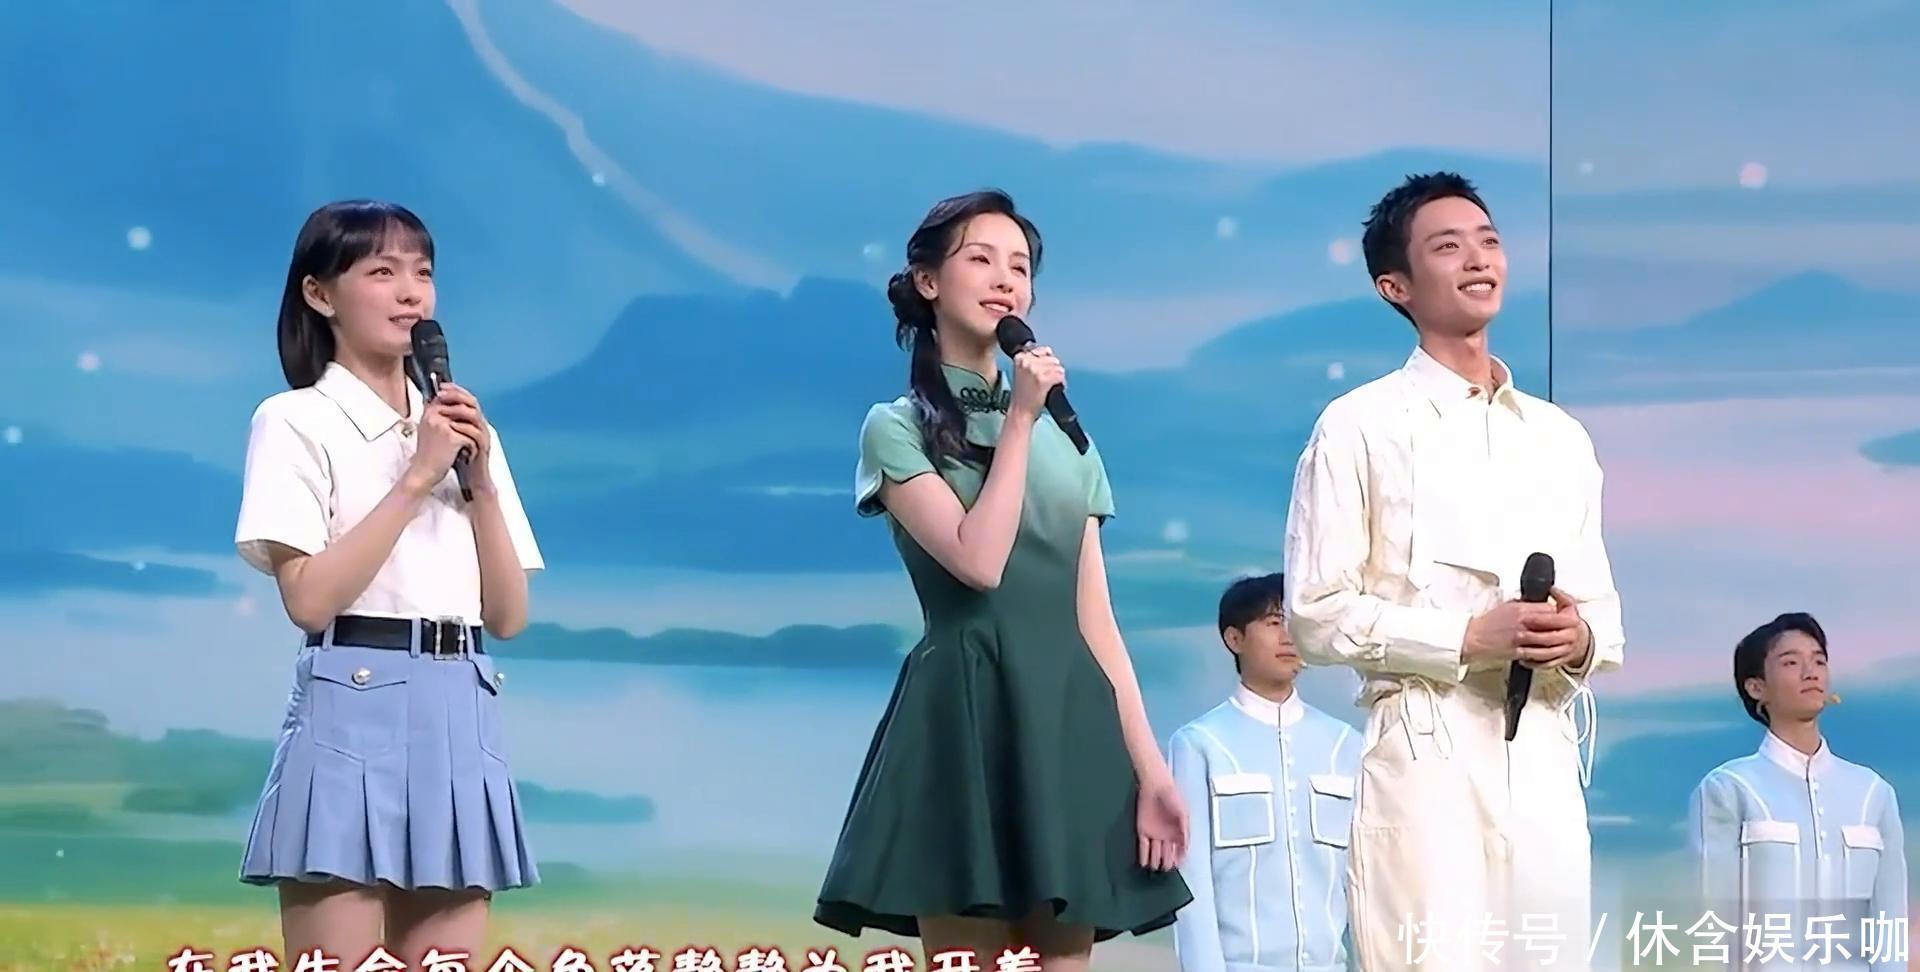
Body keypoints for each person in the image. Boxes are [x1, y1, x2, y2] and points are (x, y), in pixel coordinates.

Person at [813, 189, 1193, 971]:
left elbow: (1096, 621)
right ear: (928, 282)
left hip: (1069, 717)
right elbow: (977, 562)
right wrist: (1018, 419)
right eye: (980, 259)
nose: (1004, 280)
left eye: (1019, 267)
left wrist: (1150, 769)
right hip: (964, 712)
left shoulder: (1071, 439)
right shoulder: (897, 426)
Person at [1283, 172, 1625, 971]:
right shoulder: (1358, 425)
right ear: (1394, 286)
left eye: (1489, 241)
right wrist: (1468, 636)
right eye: (1448, 246)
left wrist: (1576, 637)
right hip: (1425, 744)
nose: (1478, 259)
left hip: (1542, 748)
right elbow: (1316, 613)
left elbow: (1605, 616)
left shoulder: (1559, 438)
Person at [233, 200, 545, 966]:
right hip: (353, 701)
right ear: (319, 294)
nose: (411, 293)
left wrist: (478, 483)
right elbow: (309, 599)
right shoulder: (294, 420)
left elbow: (508, 616)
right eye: (382, 272)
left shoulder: (465, 428)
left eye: (423, 273)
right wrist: (415, 478)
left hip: (461, 704)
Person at [1687, 612, 1907, 969]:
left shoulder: (1874, 793)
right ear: (1756, 688)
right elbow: (1713, 924)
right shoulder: (1728, 789)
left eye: (1819, 661)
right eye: (1791, 662)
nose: (1811, 672)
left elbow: (1889, 924)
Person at [1169, 573, 1362, 972]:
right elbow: (1191, 883)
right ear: (1234, 639)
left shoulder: (1347, 745)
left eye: (1296, 623)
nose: (1289, 637)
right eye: (1274, 623)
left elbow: (1363, 881)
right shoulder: (1199, 744)